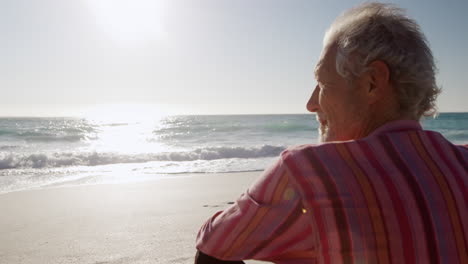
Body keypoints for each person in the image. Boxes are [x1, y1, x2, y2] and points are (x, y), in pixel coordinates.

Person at [195, 2, 468, 264]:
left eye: (323, 84)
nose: (311, 103)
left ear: (372, 82)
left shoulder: (309, 172)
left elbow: (214, 243)